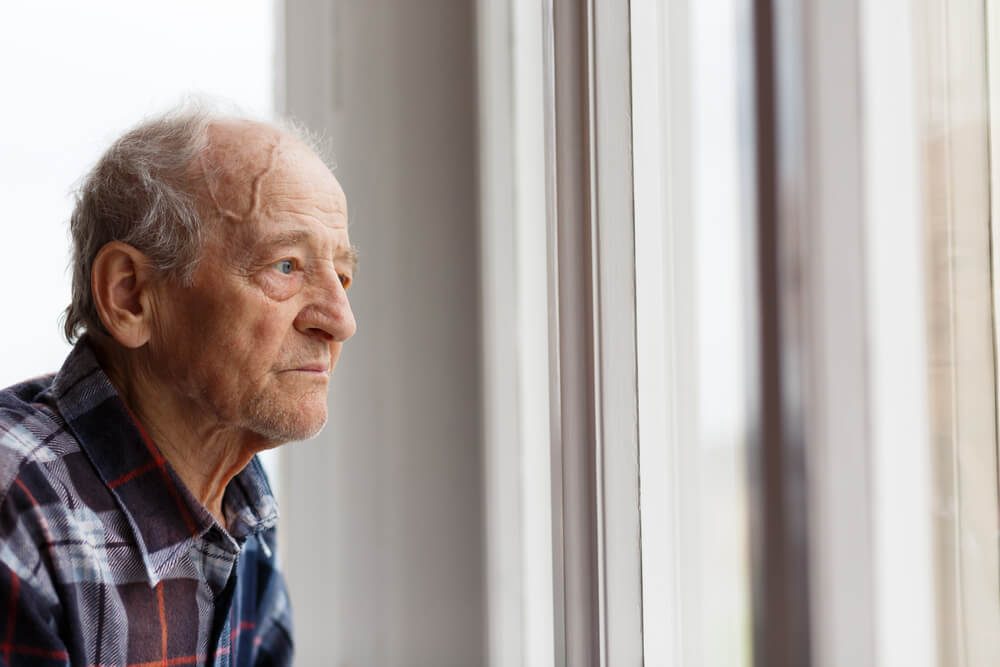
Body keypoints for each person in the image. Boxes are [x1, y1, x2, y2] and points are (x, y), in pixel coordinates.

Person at [0, 106, 357, 665]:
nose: (340, 320)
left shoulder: (240, 500)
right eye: (286, 266)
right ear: (131, 296)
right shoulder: (16, 509)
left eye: (342, 276)